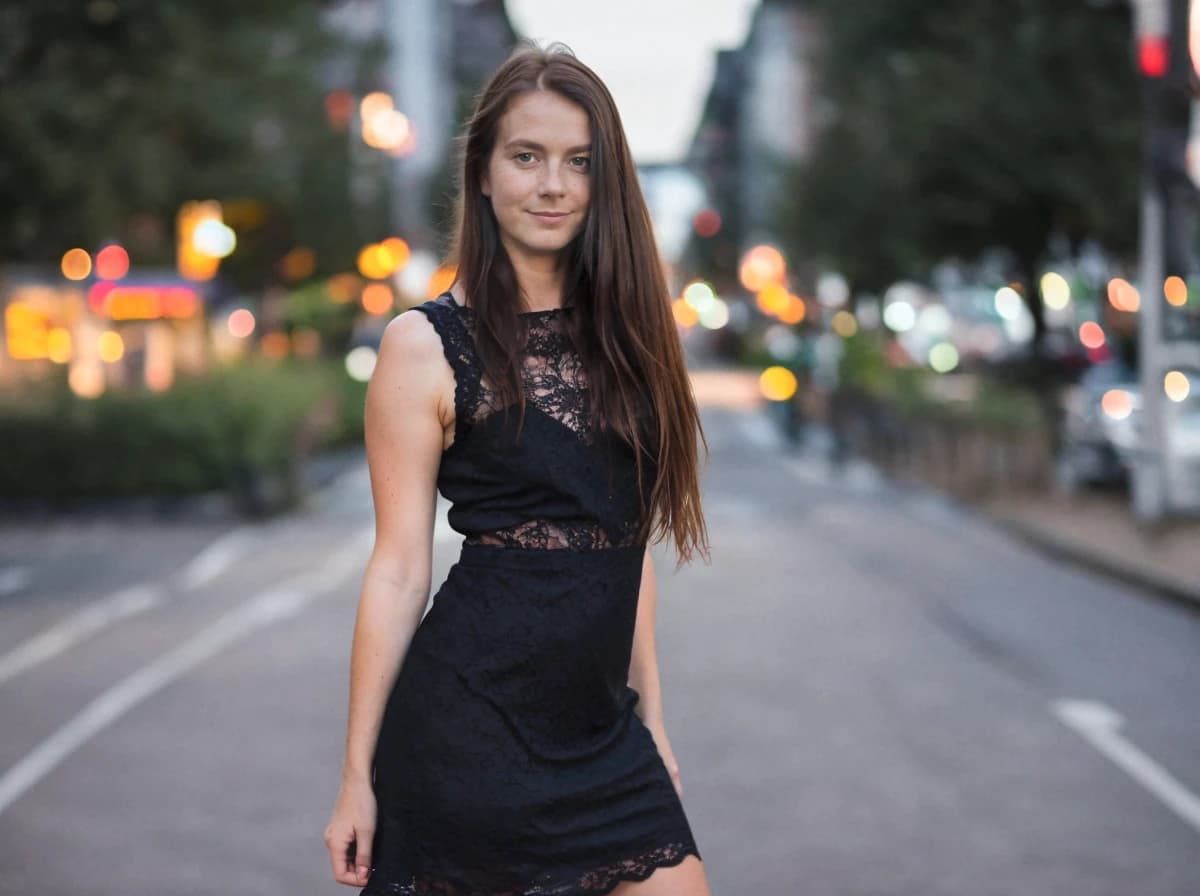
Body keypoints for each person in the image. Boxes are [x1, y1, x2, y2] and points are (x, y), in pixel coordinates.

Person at [324, 41, 713, 895]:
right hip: (469, 729)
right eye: (527, 156)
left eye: (578, 162)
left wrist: (653, 722)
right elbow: (396, 569)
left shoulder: (633, 340)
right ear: (485, 172)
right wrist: (357, 773)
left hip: (605, 741)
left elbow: (625, 544)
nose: (552, 185)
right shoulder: (423, 346)